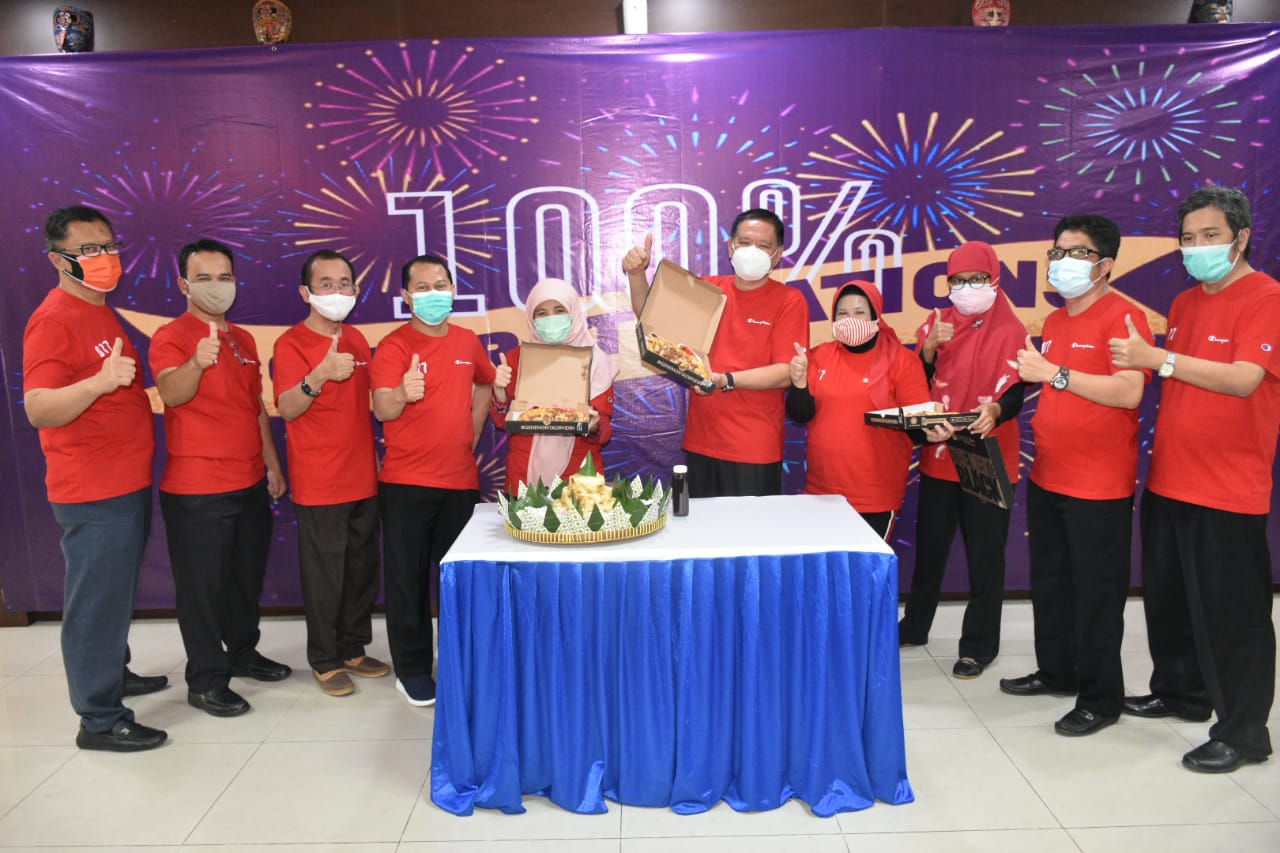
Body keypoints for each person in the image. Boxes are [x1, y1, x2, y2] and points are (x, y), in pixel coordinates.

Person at [1110, 185, 1280, 772]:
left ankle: (1244, 732)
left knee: (1234, 615)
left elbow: (1244, 378)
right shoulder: (1184, 303)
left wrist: (1158, 359)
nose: (1198, 246)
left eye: (1211, 235)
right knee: (1172, 601)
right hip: (1169, 479)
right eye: (1188, 238)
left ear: (1241, 238)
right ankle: (1181, 692)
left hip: (1227, 488)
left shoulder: (1266, 297)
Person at [22, 205, 168, 752]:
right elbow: (38, 407)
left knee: (114, 592)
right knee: (95, 603)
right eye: (87, 249)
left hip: (124, 480)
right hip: (93, 489)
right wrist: (99, 384)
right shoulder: (54, 319)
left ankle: (113, 673)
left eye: (107, 246)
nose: (103, 257)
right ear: (58, 259)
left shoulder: (98, 310)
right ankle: (100, 719)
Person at [1003, 215, 1154, 737]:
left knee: (1096, 596)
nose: (1061, 262)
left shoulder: (1124, 317)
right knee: (1051, 585)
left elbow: (1129, 391)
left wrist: (1055, 375)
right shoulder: (1056, 320)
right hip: (1049, 475)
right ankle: (1057, 671)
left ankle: (1100, 698)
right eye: (1057, 251)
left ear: (1104, 264)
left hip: (1099, 485)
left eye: (1076, 252)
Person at [150, 238, 291, 718]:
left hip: (248, 481)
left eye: (225, 277)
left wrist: (272, 463)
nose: (217, 286)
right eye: (204, 278)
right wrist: (196, 362)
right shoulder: (171, 336)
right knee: (203, 591)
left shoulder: (244, 339)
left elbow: (255, 407)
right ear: (183, 284)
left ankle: (243, 652)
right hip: (197, 490)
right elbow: (171, 392)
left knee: (243, 580)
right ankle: (207, 681)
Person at [898, 241, 1027, 680]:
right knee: (930, 549)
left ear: (994, 278)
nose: (967, 287)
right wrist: (928, 349)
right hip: (940, 454)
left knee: (986, 555)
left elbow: (1017, 389)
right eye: (958, 280)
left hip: (988, 454)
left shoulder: (1011, 328)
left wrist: (997, 410)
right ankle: (915, 626)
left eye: (977, 278)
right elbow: (916, 382)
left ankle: (978, 646)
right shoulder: (937, 322)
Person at [371, 253, 495, 707]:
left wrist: (471, 431)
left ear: (453, 290)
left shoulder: (466, 341)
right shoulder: (393, 346)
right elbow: (382, 408)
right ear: (407, 297)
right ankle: (412, 669)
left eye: (440, 285)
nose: (433, 294)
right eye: (422, 288)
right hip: (406, 482)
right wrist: (403, 393)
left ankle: (458, 662)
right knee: (407, 582)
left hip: (459, 481)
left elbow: (485, 384)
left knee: (456, 581)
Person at [623, 208, 809, 497]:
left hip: (754, 448)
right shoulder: (708, 289)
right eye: (745, 242)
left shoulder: (789, 300)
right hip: (702, 442)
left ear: (778, 254)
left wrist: (726, 380)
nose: (752, 250)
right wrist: (636, 275)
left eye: (764, 245)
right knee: (704, 526)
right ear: (731, 245)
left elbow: (785, 372)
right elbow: (653, 323)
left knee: (751, 527)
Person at [273, 249, 388, 698]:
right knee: (325, 576)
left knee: (361, 570)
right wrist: (318, 375)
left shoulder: (357, 339)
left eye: (344, 283)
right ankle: (324, 659)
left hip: (362, 475)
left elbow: (365, 407)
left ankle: (352, 648)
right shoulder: (291, 343)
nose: (336, 291)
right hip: (319, 480)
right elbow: (287, 407)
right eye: (325, 284)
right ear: (306, 292)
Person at [785, 280, 932, 539]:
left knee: (864, 566)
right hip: (821, 493)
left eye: (859, 312)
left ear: (876, 316)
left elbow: (918, 426)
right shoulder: (819, 356)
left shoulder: (902, 361)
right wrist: (798, 383)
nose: (849, 319)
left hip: (874, 496)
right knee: (825, 564)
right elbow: (800, 414)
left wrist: (933, 430)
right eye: (842, 313)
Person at [490, 277, 619, 496]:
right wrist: (499, 393)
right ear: (531, 318)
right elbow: (504, 421)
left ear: (573, 312)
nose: (551, 318)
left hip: (579, 482)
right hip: (524, 481)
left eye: (559, 310)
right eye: (542, 313)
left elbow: (604, 431)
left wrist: (593, 425)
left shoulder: (596, 361)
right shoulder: (516, 359)